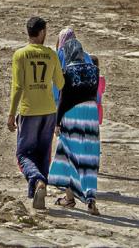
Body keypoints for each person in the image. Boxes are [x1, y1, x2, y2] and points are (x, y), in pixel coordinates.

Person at [7, 16, 64, 211]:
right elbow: (61, 83)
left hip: (29, 110)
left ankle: (37, 180)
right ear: (41, 33)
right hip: (49, 110)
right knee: (43, 153)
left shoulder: (20, 54)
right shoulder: (51, 54)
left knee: (23, 153)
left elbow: (18, 87)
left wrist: (11, 114)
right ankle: (38, 189)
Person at [49, 36, 102, 216]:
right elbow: (93, 94)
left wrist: (57, 122)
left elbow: (63, 100)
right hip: (91, 117)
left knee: (68, 155)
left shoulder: (68, 72)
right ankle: (90, 200)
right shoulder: (94, 69)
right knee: (89, 159)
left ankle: (69, 197)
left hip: (73, 116)